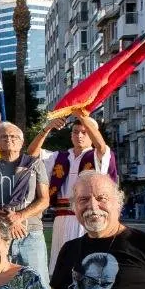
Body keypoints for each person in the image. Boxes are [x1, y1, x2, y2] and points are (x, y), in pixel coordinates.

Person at [35, 112, 118, 271]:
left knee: (86, 263)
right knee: (62, 264)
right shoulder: (59, 156)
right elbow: (32, 153)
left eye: (85, 132)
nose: (79, 135)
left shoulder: (97, 155)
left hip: (88, 216)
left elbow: (101, 146)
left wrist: (82, 116)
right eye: (75, 132)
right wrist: (47, 128)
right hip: (62, 216)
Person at [0, 122, 52, 284]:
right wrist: (8, 219)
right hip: (0, 235)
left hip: (31, 233)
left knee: (36, 283)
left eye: (14, 136)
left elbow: (45, 199)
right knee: (2, 284)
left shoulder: (35, 164)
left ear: (22, 142)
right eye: (3, 136)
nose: (9, 139)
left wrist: (19, 216)